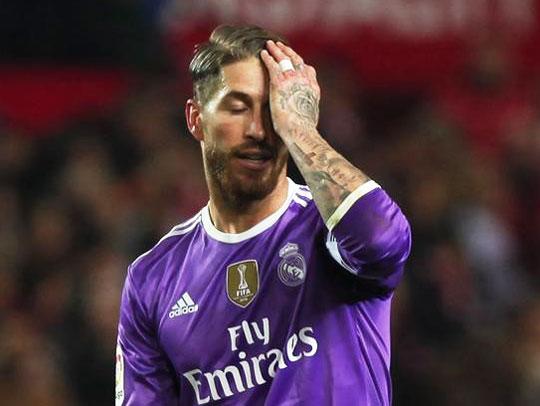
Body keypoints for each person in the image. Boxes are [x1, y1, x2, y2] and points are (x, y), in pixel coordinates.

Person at [116, 24, 411, 405]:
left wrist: (301, 130)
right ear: (196, 119)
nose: (259, 129)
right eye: (237, 108)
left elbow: (385, 240)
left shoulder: (329, 229)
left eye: (273, 110)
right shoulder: (153, 280)